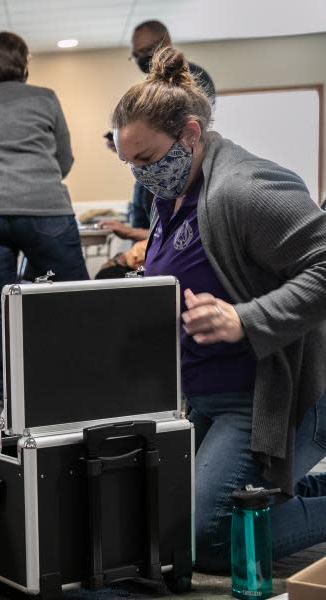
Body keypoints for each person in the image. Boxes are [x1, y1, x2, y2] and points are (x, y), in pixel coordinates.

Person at [112, 47, 326, 571]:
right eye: (127, 162)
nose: (139, 175)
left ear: (189, 134)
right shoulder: (174, 194)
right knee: (158, 520)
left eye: (145, 159)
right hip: (209, 397)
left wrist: (243, 318)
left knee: (202, 539)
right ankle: (293, 488)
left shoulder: (245, 188)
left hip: (270, 395)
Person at [0, 31, 87, 406]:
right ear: (23, 62)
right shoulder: (46, 99)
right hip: (45, 206)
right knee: (74, 297)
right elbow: (65, 160)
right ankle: (86, 380)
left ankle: (8, 400)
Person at [100, 19, 217, 242]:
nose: (141, 58)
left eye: (145, 51)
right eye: (136, 54)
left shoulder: (191, 83)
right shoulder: (152, 178)